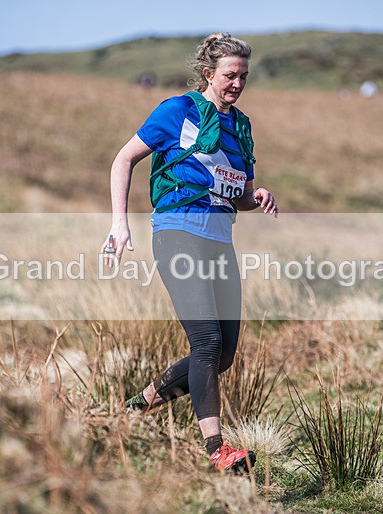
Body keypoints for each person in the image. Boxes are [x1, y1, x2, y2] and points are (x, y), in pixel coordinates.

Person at [101, 32, 278, 474]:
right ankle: (217, 451)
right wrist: (119, 224)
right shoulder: (175, 111)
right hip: (177, 233)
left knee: (224, 354)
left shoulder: (241, 126)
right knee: (207, 341)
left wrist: (255, 197)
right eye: (230, 75)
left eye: (244, 77)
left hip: (220, 240)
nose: (237, 84)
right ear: (207, 73)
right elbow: (123, 160)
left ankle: (138, 405)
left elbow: (232, 193)